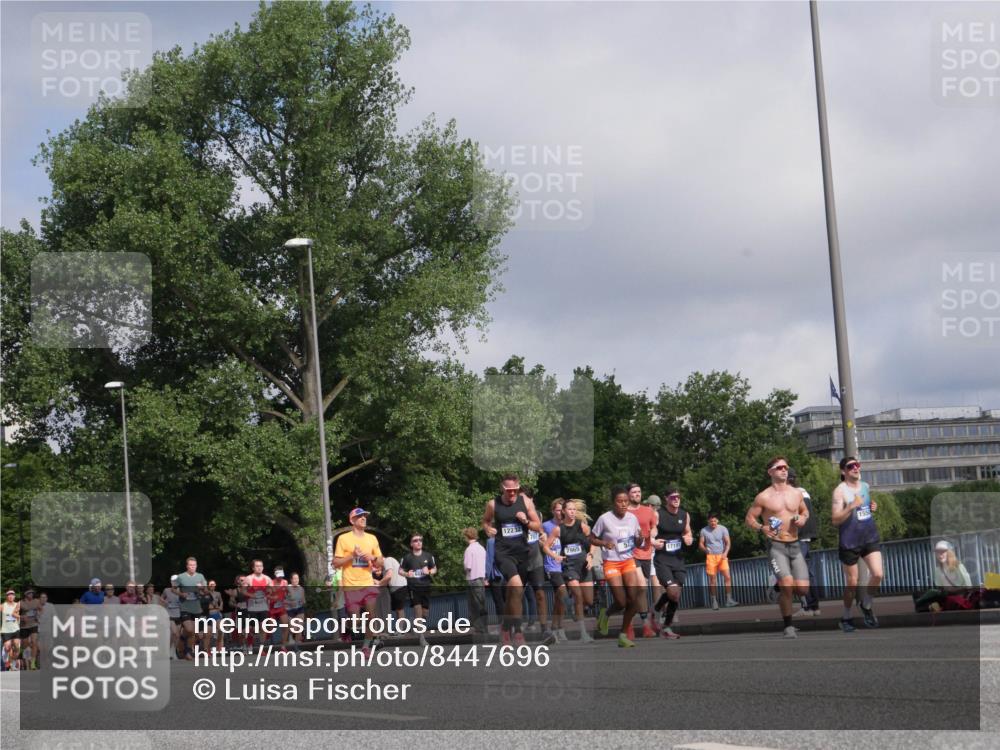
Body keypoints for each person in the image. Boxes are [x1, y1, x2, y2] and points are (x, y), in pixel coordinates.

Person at [745, 456, 811, 639]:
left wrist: (802, 519)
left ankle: (775, 588)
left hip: (795, 544)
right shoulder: (764, 496)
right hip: (777, 545)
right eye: (780, 467)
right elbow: (749, 519)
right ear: (771, 472)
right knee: (788, 586)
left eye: (786, 467)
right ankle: (788, 626)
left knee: (803, 589)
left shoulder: (796, 493)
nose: (784, 470)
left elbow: (804, 511)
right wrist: (761, 527)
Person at [482, 474, 543, 646]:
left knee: (513, 595)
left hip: (522, 553)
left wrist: (525, 521)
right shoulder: (493, 504)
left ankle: (505, 627)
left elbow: (537, 526)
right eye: (508, 490)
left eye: (515, 490)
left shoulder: (526, 502)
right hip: (503, 553)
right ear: (502, 488)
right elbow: (485, 521)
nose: (512, 493)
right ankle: (518, 631)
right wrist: (488, 529)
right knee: (516, 586)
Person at [589, 485, 647, 648]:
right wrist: (603, 543)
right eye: (619, 501)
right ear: (613, 503)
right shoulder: (604, 518)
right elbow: (592, 538)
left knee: (634, 600)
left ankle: (622, 635)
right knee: (621, 602)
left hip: (628, 560)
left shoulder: (632, 518)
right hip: (611, 562)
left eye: (625, 501)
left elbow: (638, 541)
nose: (623, 504)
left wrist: (639, 539)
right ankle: (605, 614)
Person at [832, 456, 883, 631]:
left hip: (869, 537)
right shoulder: (840, 491)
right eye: (850, 466)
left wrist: (872, 506)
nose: (855, 468)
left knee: (877, 574)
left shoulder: (865, 486)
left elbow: (865, 507)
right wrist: (850, 506)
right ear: (843, 471)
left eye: (857, 465)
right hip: (850, 542)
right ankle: (846, 616)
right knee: (852, 582)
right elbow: (835, 519)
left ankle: (866, 605)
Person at [333, 507, 384, 656]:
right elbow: (335, 563)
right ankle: (347, 627)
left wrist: (372, 558)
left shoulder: (372, 538)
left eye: (365, 516)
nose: (363, 518)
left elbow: (380, 562)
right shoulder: (344, 538)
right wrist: (352, 556)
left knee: (370, 616)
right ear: (352, 520)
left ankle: (366, 647)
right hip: (351, 585)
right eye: (360, 516)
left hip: (367, 583)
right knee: (355, 621)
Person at [544, 499, 595, 642]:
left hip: (584, 566)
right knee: (578, 595)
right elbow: (545, 547)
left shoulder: (582, 526)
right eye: (570, 509)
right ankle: (583, 633)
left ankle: (571, 604)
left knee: (589, 600)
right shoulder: (558, 529)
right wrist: (556, 556)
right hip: (569, 567)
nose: (572, 512)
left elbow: (593, 542)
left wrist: (590, 556)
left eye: (574, 509)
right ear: (564, 512)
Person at [652, 486, 693, 639]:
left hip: (678, 559)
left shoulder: (684, 514)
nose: (676, 500)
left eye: (678, 497)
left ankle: (660, 617)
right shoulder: (658, 514)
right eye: (672, 497)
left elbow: (687, 531)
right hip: (663, 560)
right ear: (666, 499)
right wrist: (654, 541)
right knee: (673, 592)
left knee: (675, 595)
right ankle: (664, 623)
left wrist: (689, 538)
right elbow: (652, 533)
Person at [521, 487, 556, 644]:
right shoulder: (512, 515)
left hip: (535, 560)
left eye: (526, 499)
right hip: (518, 562)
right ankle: (514, 631)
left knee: (540, 594)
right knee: (515, 597)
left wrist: (543, 538)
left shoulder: (538, 515)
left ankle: (544, 630)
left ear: (531, 500)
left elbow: (539, 533)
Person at [626, 483, 659, 637]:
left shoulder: (648, 510)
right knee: (641, 587)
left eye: (639, 491)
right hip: (630, 554)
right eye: (633, 492)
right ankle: (629, 626)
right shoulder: (624, 512)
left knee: (640, 591)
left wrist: (652, 532)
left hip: (647, 553)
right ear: (628, 495)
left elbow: (654, 527)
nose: (637, 494)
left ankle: (645, 626)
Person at [788, 469, 821, 617]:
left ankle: (806, 607)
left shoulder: (791, 494)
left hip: (798, 537)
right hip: (807, 537)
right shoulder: (804, 492)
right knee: (809, 573)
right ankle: (814, 606)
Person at [914, 540, 975, 611]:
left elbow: (968, 587)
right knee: (932, 593)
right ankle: (921, 603)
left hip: (958, 598)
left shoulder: (959, 567)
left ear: (950, 553)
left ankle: (920, 602)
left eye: (942, 552)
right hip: (945, 597)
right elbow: (940, 589)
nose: (940, 555)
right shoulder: (937, 570)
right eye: (937, 552)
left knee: (933, 596)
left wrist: (953, 591)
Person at [400, 533, 437, 647]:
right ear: (411, 544)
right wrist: (407, 573)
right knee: (418, 610)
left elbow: (435, 569)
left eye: (420, 540)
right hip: (413, 587)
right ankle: (422, 638)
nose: (418, 542)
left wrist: (429, 572)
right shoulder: (407, 557)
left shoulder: (428, 556)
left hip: (425, 586)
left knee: (425, 613)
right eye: (415, 540)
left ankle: (415, 623)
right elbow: (400, 571)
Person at [699, 511, 738, 609]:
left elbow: (728, 542)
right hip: (711, 557)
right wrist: (705, 549)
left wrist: (725, 553)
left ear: (717, 520)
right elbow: (700, 544)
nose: (713, 523)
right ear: (708, 521)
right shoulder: (704, 530)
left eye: (715, 521)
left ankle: (729, 600)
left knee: (728, 577)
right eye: (711, 521)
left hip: (722, 556)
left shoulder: (723, 529)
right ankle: (714, 601)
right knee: (713, 580)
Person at [541, 499, 568, 641]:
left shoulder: (566, 526)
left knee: (560, 598)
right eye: (557, 510)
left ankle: (557, 627)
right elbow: (538, 540)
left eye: (562, 509)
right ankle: (556, 627)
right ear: (553, 511)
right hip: (551, 566)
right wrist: (541, 539)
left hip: (565, 566)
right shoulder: (546, 525)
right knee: (562, 593)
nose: (560, 512)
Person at [177, 557, 209, 654]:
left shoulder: (200, 576)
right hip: (185, 607)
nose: (192, 567)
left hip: (196, 608)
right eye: (190, 565)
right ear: (187, 566)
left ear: (196, 566)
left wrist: (202, 588)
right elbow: (174, 589)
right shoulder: (181, 576)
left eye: (194, 565)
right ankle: (183, 639)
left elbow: (206, 591)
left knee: (193, 631)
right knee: (189, 629)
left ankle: (188, 651)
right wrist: (181, 594)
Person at [242, 560, 272, 653]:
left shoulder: (267, 578)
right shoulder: (248, 579)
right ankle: (250, 637)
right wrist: (251, 595)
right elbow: (243, 591)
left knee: (263, 626)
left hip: (263, 605)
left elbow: (271, 589)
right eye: (257, 566)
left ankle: (261, 648)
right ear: (253, 568)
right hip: (252, 606)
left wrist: (269, 591)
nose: (259, 568)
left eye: (261, 566)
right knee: (255, 628)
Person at [463, 527, 488, 637]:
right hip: (481, 578)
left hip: (472, 579)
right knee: (482, 604)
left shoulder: (469, 549)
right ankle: (485, 626)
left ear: (466, 537)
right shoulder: (481, 548)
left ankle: (479, 628)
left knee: (474, 606)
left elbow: (468, 566)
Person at [161, 575, 182, 659]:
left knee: (177, 635)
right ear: (171, 582)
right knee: (174, 632)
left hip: (179, 614)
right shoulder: (167, 590)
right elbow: (161, 598)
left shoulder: (181, 591)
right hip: (170, 614)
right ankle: (169, 650)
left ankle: (173, 651)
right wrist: (165, 602)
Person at [18, 589, 40, 669]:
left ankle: (33, 663)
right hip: (24, 626)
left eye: (32, 593)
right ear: (25, 594)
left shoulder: (37, 601)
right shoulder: (20, 603)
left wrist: (38, 615)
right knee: (25, 645)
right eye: (29, 593)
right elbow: (13, 614)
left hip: (34, 624)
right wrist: (21, 617)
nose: (31, 594)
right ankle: (28, 658)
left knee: (34, 642)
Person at [285, 572, 307, 644]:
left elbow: (303, 600)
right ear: (291, 580)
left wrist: (303, 602)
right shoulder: (287, 588)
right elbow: (282, 600)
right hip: (290, 610)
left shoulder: (301, 589)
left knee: (299, 627)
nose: (296, 580)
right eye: (294, 578)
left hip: (299, 608)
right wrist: (290, 603)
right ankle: (290, 637)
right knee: (293, 628)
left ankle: (297, 644)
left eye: (297, 578)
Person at [1, 590, 20, 671]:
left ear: (14, 596)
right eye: (9, 595)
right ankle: (5, 658)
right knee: (7, 647)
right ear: (7, 597)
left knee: (16, 646)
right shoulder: (2, 606)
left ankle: (13, 663)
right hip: (5, 630)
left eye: (12, 595)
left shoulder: (17, 605)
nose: (11, 596)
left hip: (16, 629)